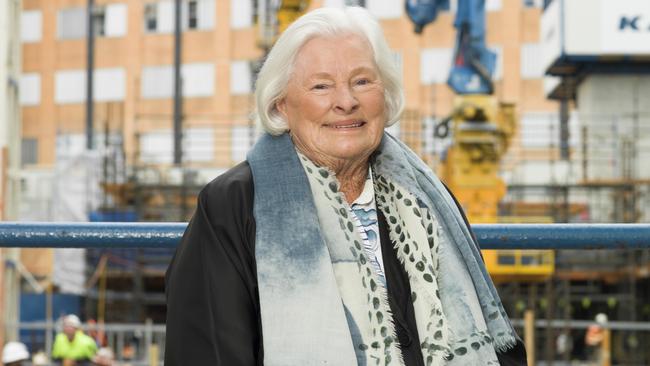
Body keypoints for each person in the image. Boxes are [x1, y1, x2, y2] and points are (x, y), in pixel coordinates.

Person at [165, 6, 527, 366]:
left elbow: (502, 350)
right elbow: (206, 350)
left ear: (385, 96)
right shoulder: (233, 207)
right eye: (322, 86)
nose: (346, 101)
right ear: (281, 106)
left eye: (362, 81)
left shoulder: (430, 198)